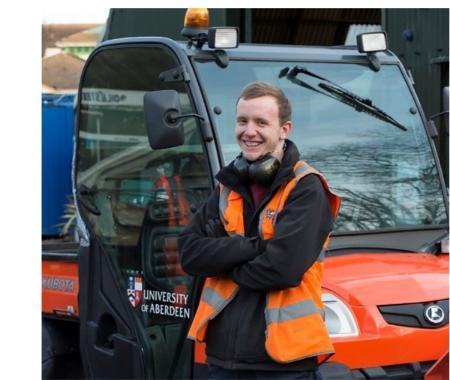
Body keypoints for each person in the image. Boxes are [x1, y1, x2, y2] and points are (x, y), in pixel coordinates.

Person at [178, 82, 341, 380]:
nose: (249, 131)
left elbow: (282, 269)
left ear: (284, 129)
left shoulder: (306, 188)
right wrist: (254, 247)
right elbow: (189, 255)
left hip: (282, 363)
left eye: (261, 122)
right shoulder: (227, 187)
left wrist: (223, 263)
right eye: (242, 121)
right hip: (222, 359)